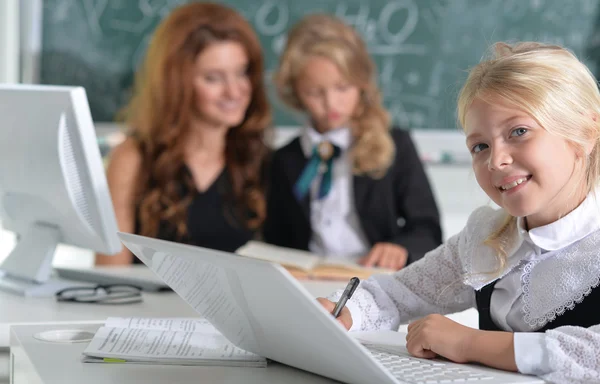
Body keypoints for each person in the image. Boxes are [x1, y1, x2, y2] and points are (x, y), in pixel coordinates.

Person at [319, 42, 600, 384]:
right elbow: (399, 293)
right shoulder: (486, 234)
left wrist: (471, 343)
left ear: (586, 133)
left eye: (519, 132)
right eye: (479, 146)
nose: (496, 161)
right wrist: (343, 311)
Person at [96, 2, 271, 265]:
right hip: (143, 307)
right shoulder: (132, 158)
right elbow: (109, 274)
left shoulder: (263, 160)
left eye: (242, 72)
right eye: (213, 78)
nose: (234, 92)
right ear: (177, 83)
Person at [263, 14, 442, 271]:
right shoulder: (284, 159)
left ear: (361, 84)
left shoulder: (395, 144)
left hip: (374, 280)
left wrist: (400, 247)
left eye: (342, 88)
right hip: (309, 284)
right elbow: (277, 238)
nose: (331, 104)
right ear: (296, 92)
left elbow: (427, 228)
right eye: (314, 92)